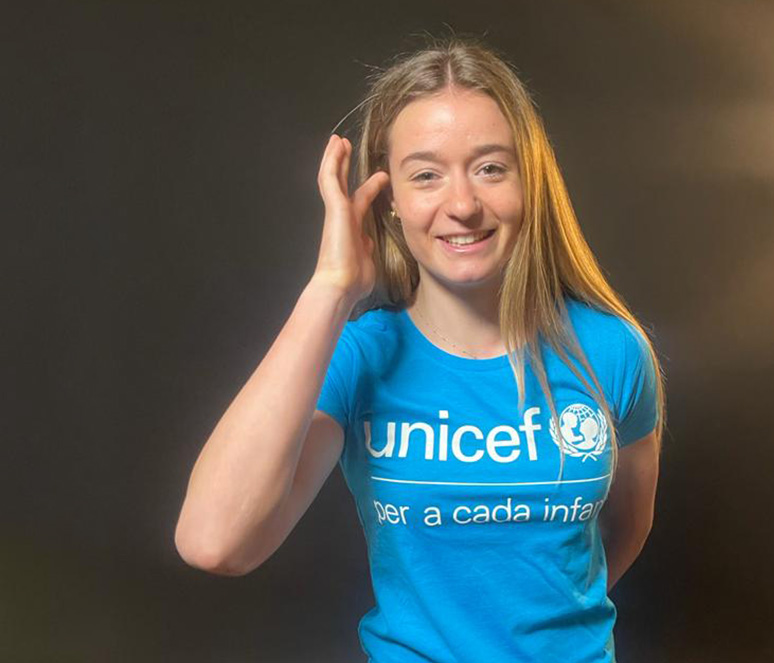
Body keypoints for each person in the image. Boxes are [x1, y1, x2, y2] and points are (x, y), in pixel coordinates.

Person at [175, 34, 666, 663]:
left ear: (530, 181)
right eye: (426, 175)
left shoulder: (612, 351)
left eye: (491, 168)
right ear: (391, 202)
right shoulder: (359, 358)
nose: (462, 205)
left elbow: (627, 528)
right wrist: (331, 287)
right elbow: (215, 542)